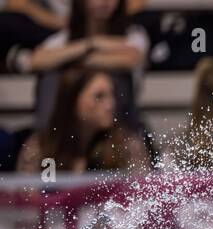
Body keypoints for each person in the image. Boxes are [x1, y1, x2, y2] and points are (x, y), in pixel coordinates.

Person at [28, 0, 149, 131]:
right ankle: (48, 135)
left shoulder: (133, 33)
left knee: (116, 75)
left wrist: (78, 57)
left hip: (119, 114)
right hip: (72, 112)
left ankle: (113, 136)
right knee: (51, 75)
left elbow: (132, 58)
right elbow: (36, 60)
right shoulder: (66, 36)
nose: (105, 2)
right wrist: (90, 44)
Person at [16, 66, 149, 174]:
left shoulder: (126, 146)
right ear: (72, 101)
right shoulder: (42, 147)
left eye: (112, 95)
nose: (110, 104)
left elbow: (140, 198)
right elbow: (29, 199)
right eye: (99, 96)